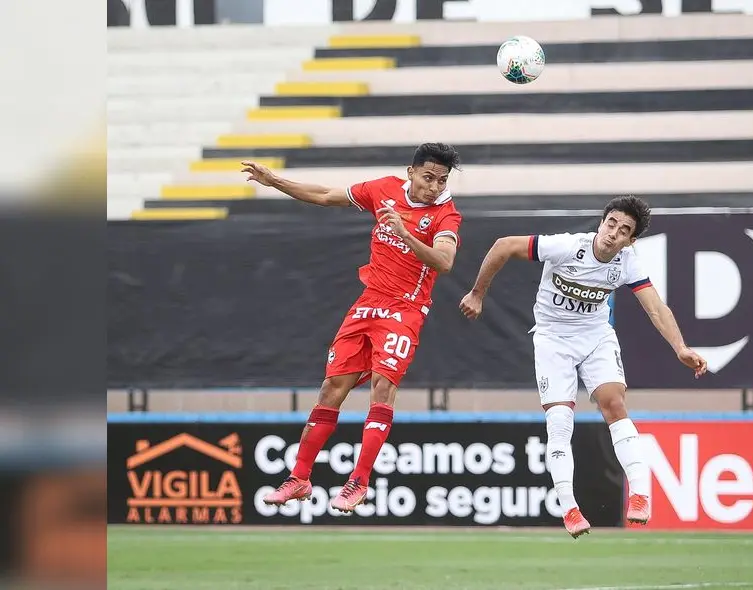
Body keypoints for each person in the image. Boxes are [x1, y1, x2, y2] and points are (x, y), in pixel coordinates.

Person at [459, 196, 708, 538]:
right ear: (601, 222)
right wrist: (477, 293)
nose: (613, 234)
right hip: (552, 339)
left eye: (624, 231)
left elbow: (655, 307)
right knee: (560, 420)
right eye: (611, 224)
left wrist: (680, 347)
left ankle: (639, 494)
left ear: (630, 240)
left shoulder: (626, 262)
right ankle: (570, 507)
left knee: (615, 404)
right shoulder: (566, 247)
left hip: (595, 337)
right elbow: (503, 246)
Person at [241, 143, 463, 513]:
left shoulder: (446, 215)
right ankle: (299, 478)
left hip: (405, 309)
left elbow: (445, 261)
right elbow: (327, 195)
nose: (434, 187)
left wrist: (407, 235)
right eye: (428, 178)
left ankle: (358, 481)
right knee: (331, 387)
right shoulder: (383, 189)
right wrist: (275, 181)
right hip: (368, 302)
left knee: (383, 384)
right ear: (410, 173)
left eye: (441, 180)